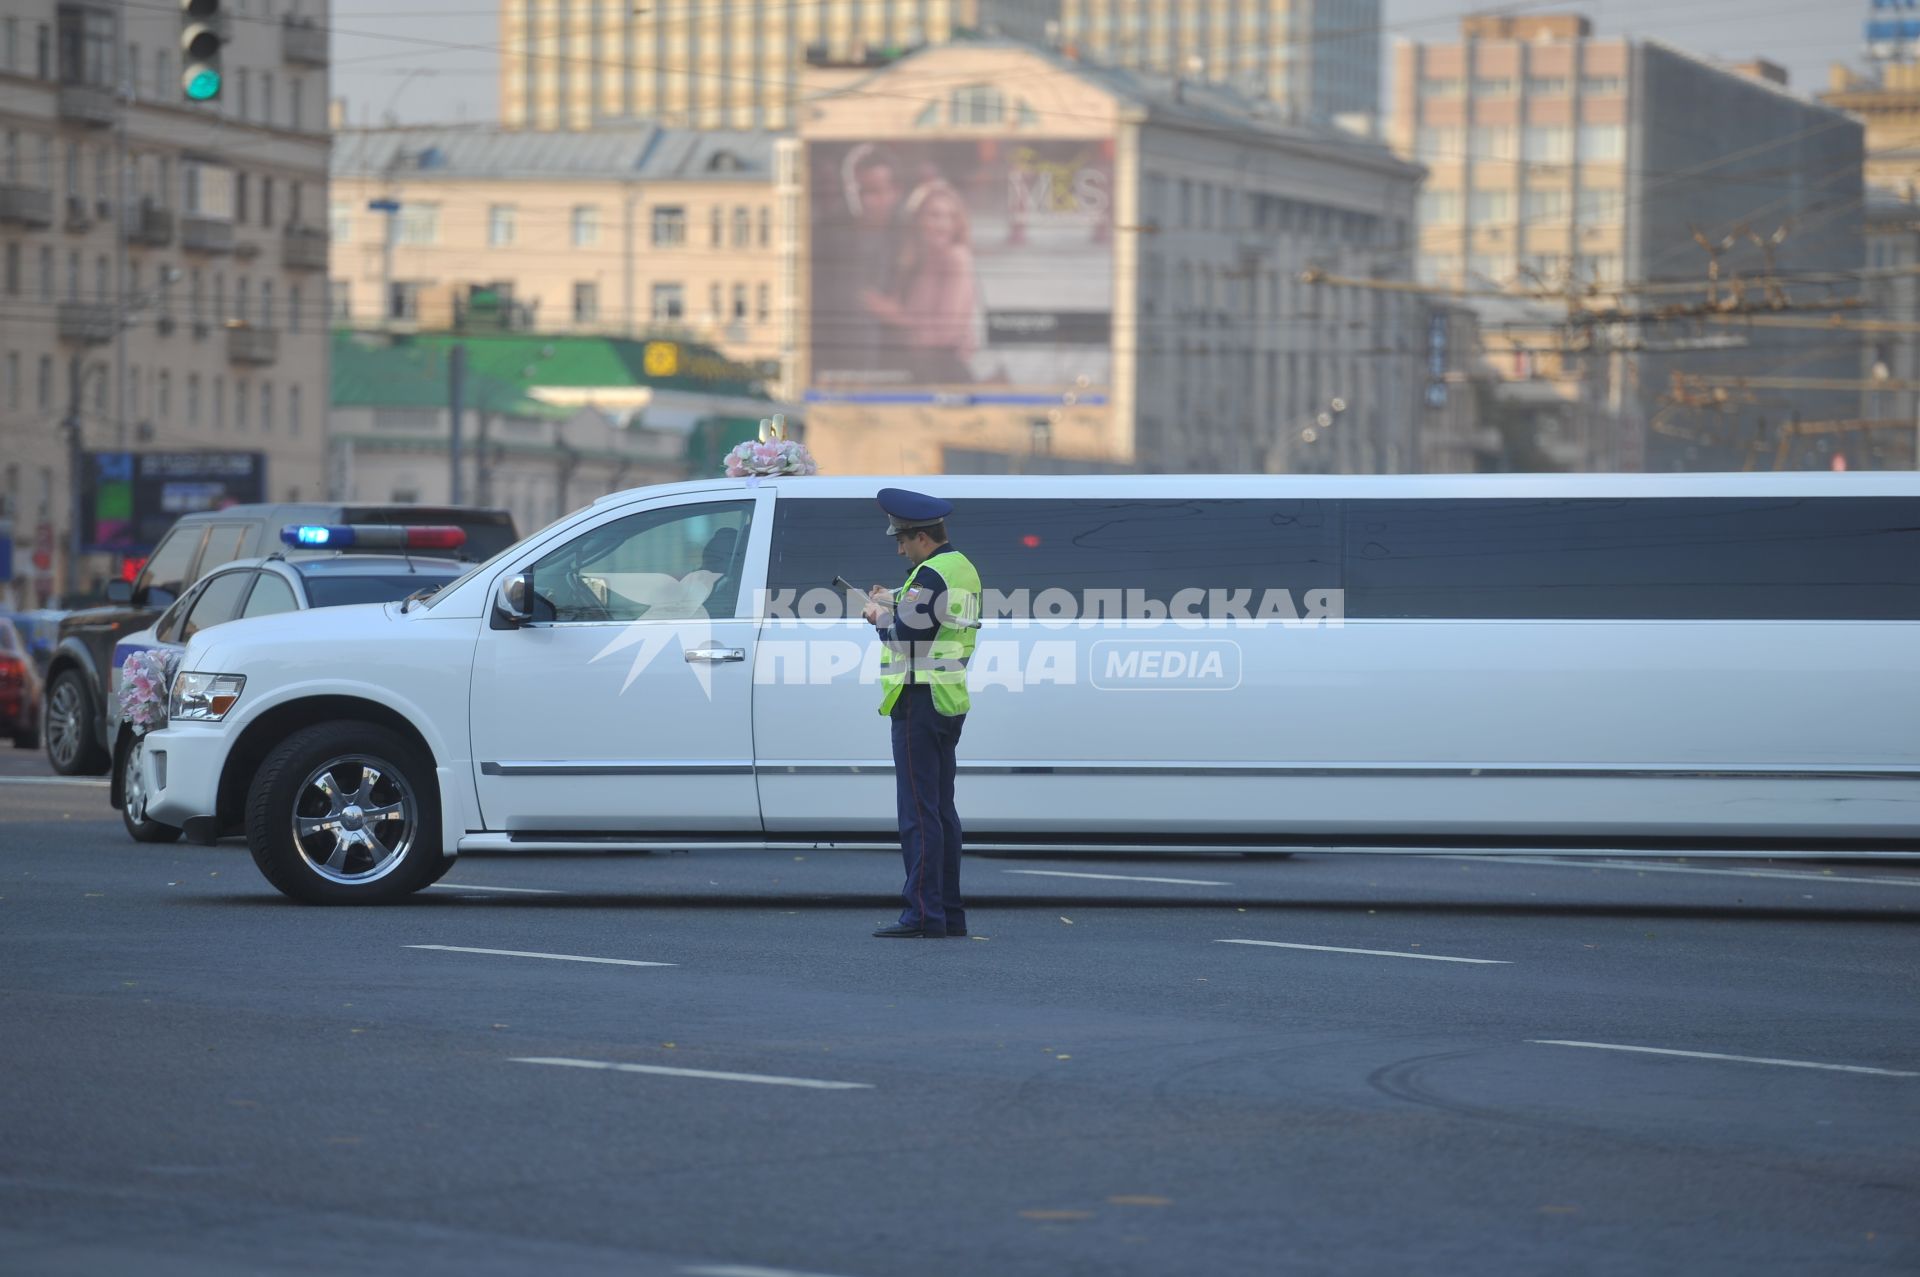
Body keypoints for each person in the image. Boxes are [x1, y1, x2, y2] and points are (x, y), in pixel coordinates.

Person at [862, 488, 983, 939]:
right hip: (946, 698)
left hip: (919, 699)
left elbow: (906, 639)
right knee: (940, 812)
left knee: (918, 814)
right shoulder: (961, 567)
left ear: (922, 538)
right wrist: (893, 602)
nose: (899, 549)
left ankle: (921, 915)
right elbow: (934, 619)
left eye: (903, 540)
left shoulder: (929, 573)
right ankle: (948, 913)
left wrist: (877, 618)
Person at [859, 179, 982, 385]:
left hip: (945, 375)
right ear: (916, 219)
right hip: (916, 371)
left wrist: (891, 314)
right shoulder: (915, 260)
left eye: (950, 217)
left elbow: (944, 333)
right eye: (934, 215)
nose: (943, 224)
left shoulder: (956, 258)